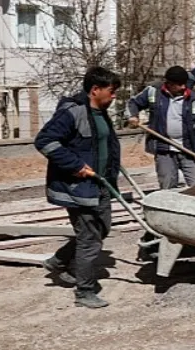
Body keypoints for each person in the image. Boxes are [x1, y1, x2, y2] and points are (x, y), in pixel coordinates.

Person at [36, 67, 121, 308]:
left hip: (101, 183)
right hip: (78, 187)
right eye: (111, 91)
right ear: (95, 90)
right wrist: (75, 165)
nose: (114, 96)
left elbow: (102, 142)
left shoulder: (101, 112)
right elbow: (44, 141)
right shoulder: (72, 113)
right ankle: (84, 291)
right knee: (90, 240)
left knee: (102, 229)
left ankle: (59, 260)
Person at [127, 66, 195, 258]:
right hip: (164, 149)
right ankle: (162, 234)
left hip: (187, 150)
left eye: (183, 84)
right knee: (167, 189)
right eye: (178, 85)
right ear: (168, 84)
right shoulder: (154, 92)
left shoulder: (193, 99)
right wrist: (132, 116)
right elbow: (133, 103)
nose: (182, 88)